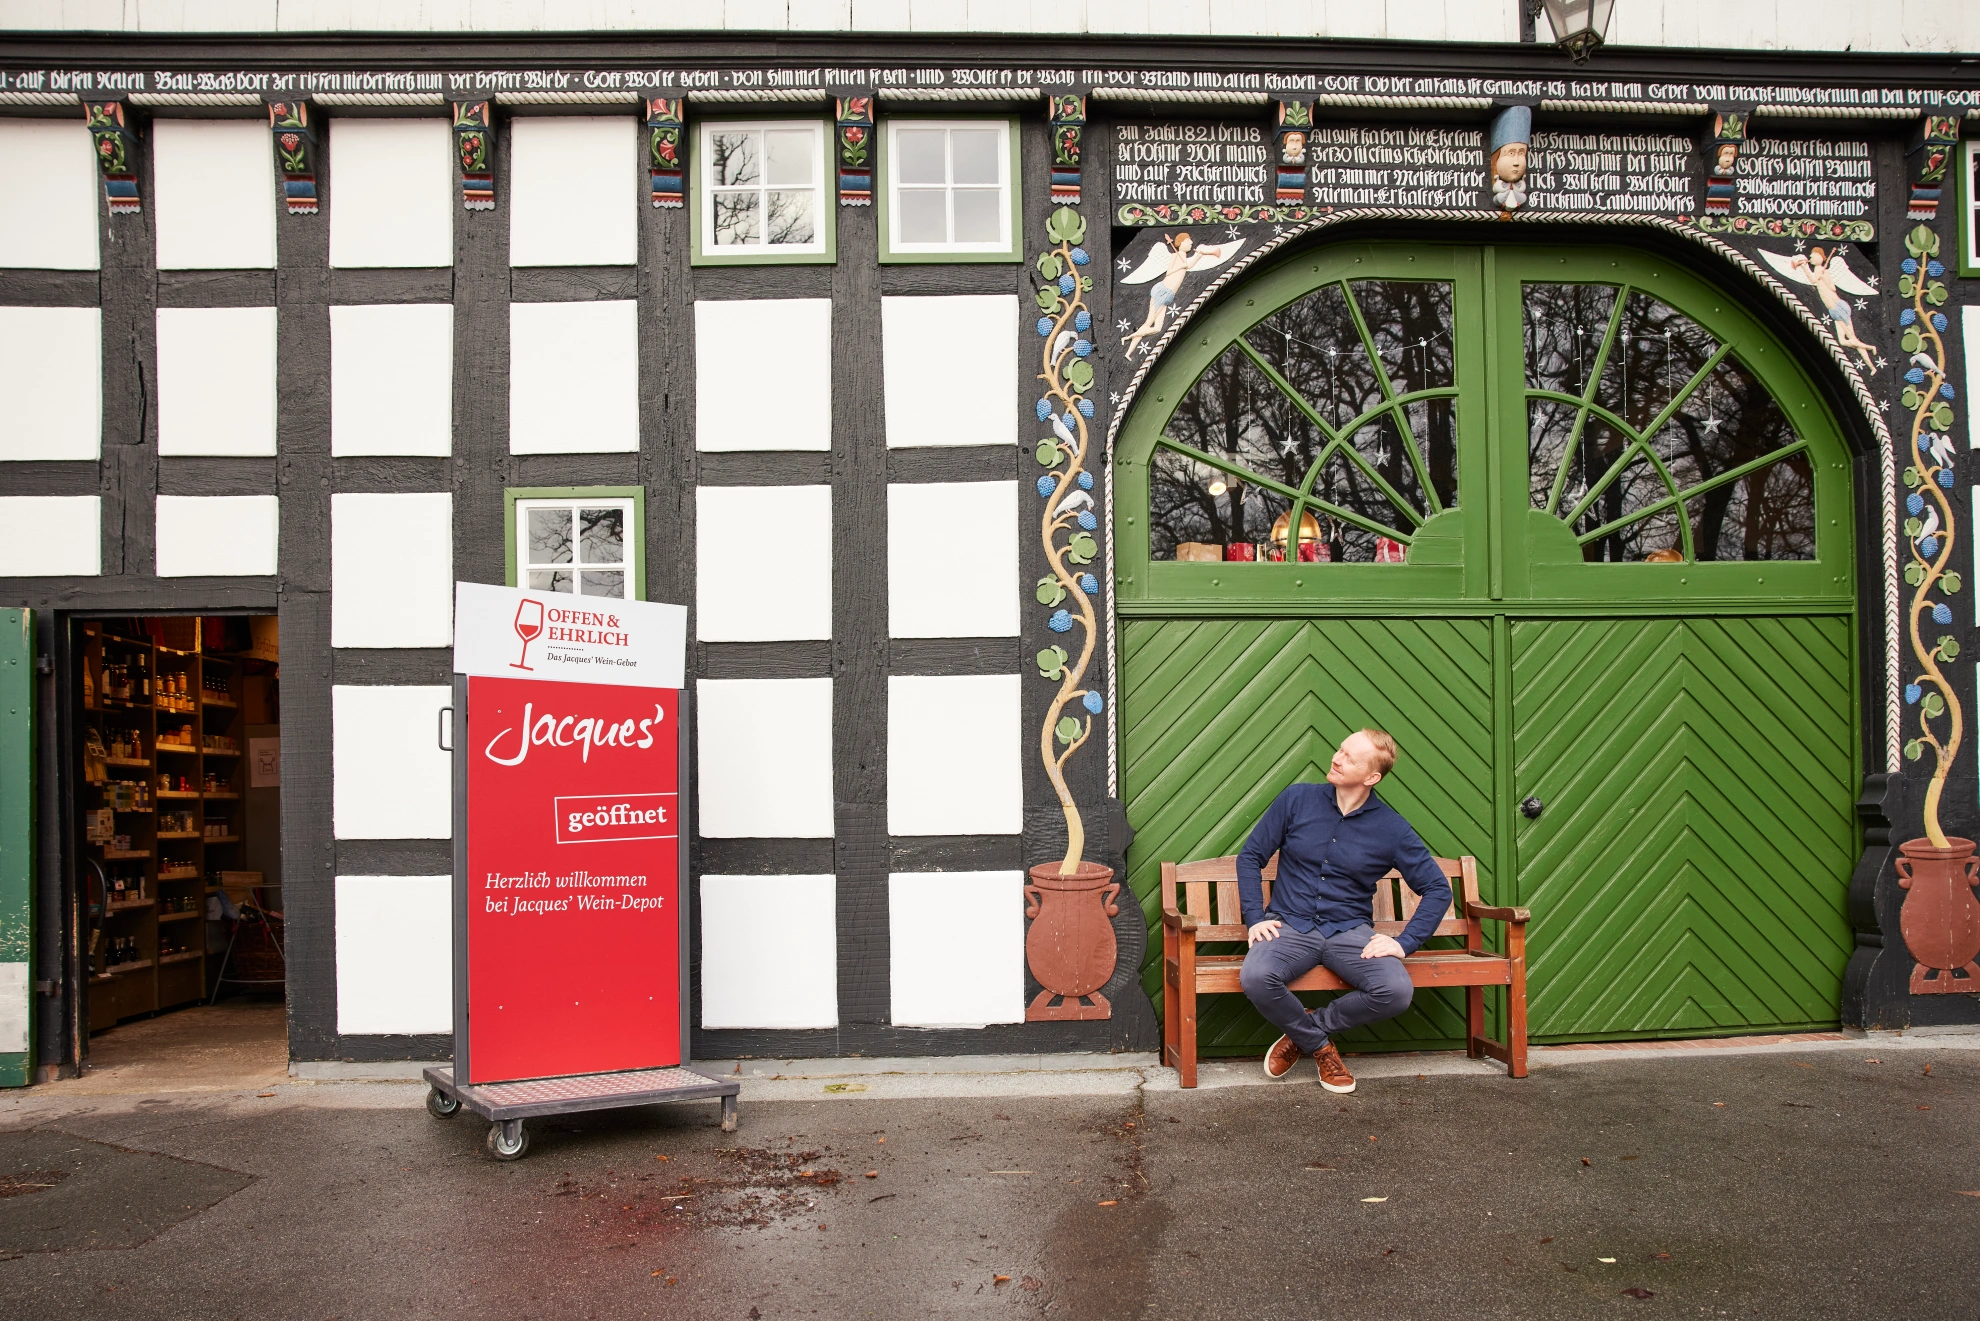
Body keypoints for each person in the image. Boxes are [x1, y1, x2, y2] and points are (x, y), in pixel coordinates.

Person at [1235, 728, 1452, 1094]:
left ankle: (1305, 1030)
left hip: (1349, 932)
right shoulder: (1296, 799)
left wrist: (1404, 943)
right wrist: (1255, 917)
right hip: (1289, 925)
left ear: (1372, 778)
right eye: (1340, 749)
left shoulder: (1392, 829)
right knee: (1256, 977)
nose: (1336, 758)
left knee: (1395, 991)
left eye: (1350, 758)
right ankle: (1321, 1048)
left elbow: (1437, 888)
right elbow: (1250, 856)